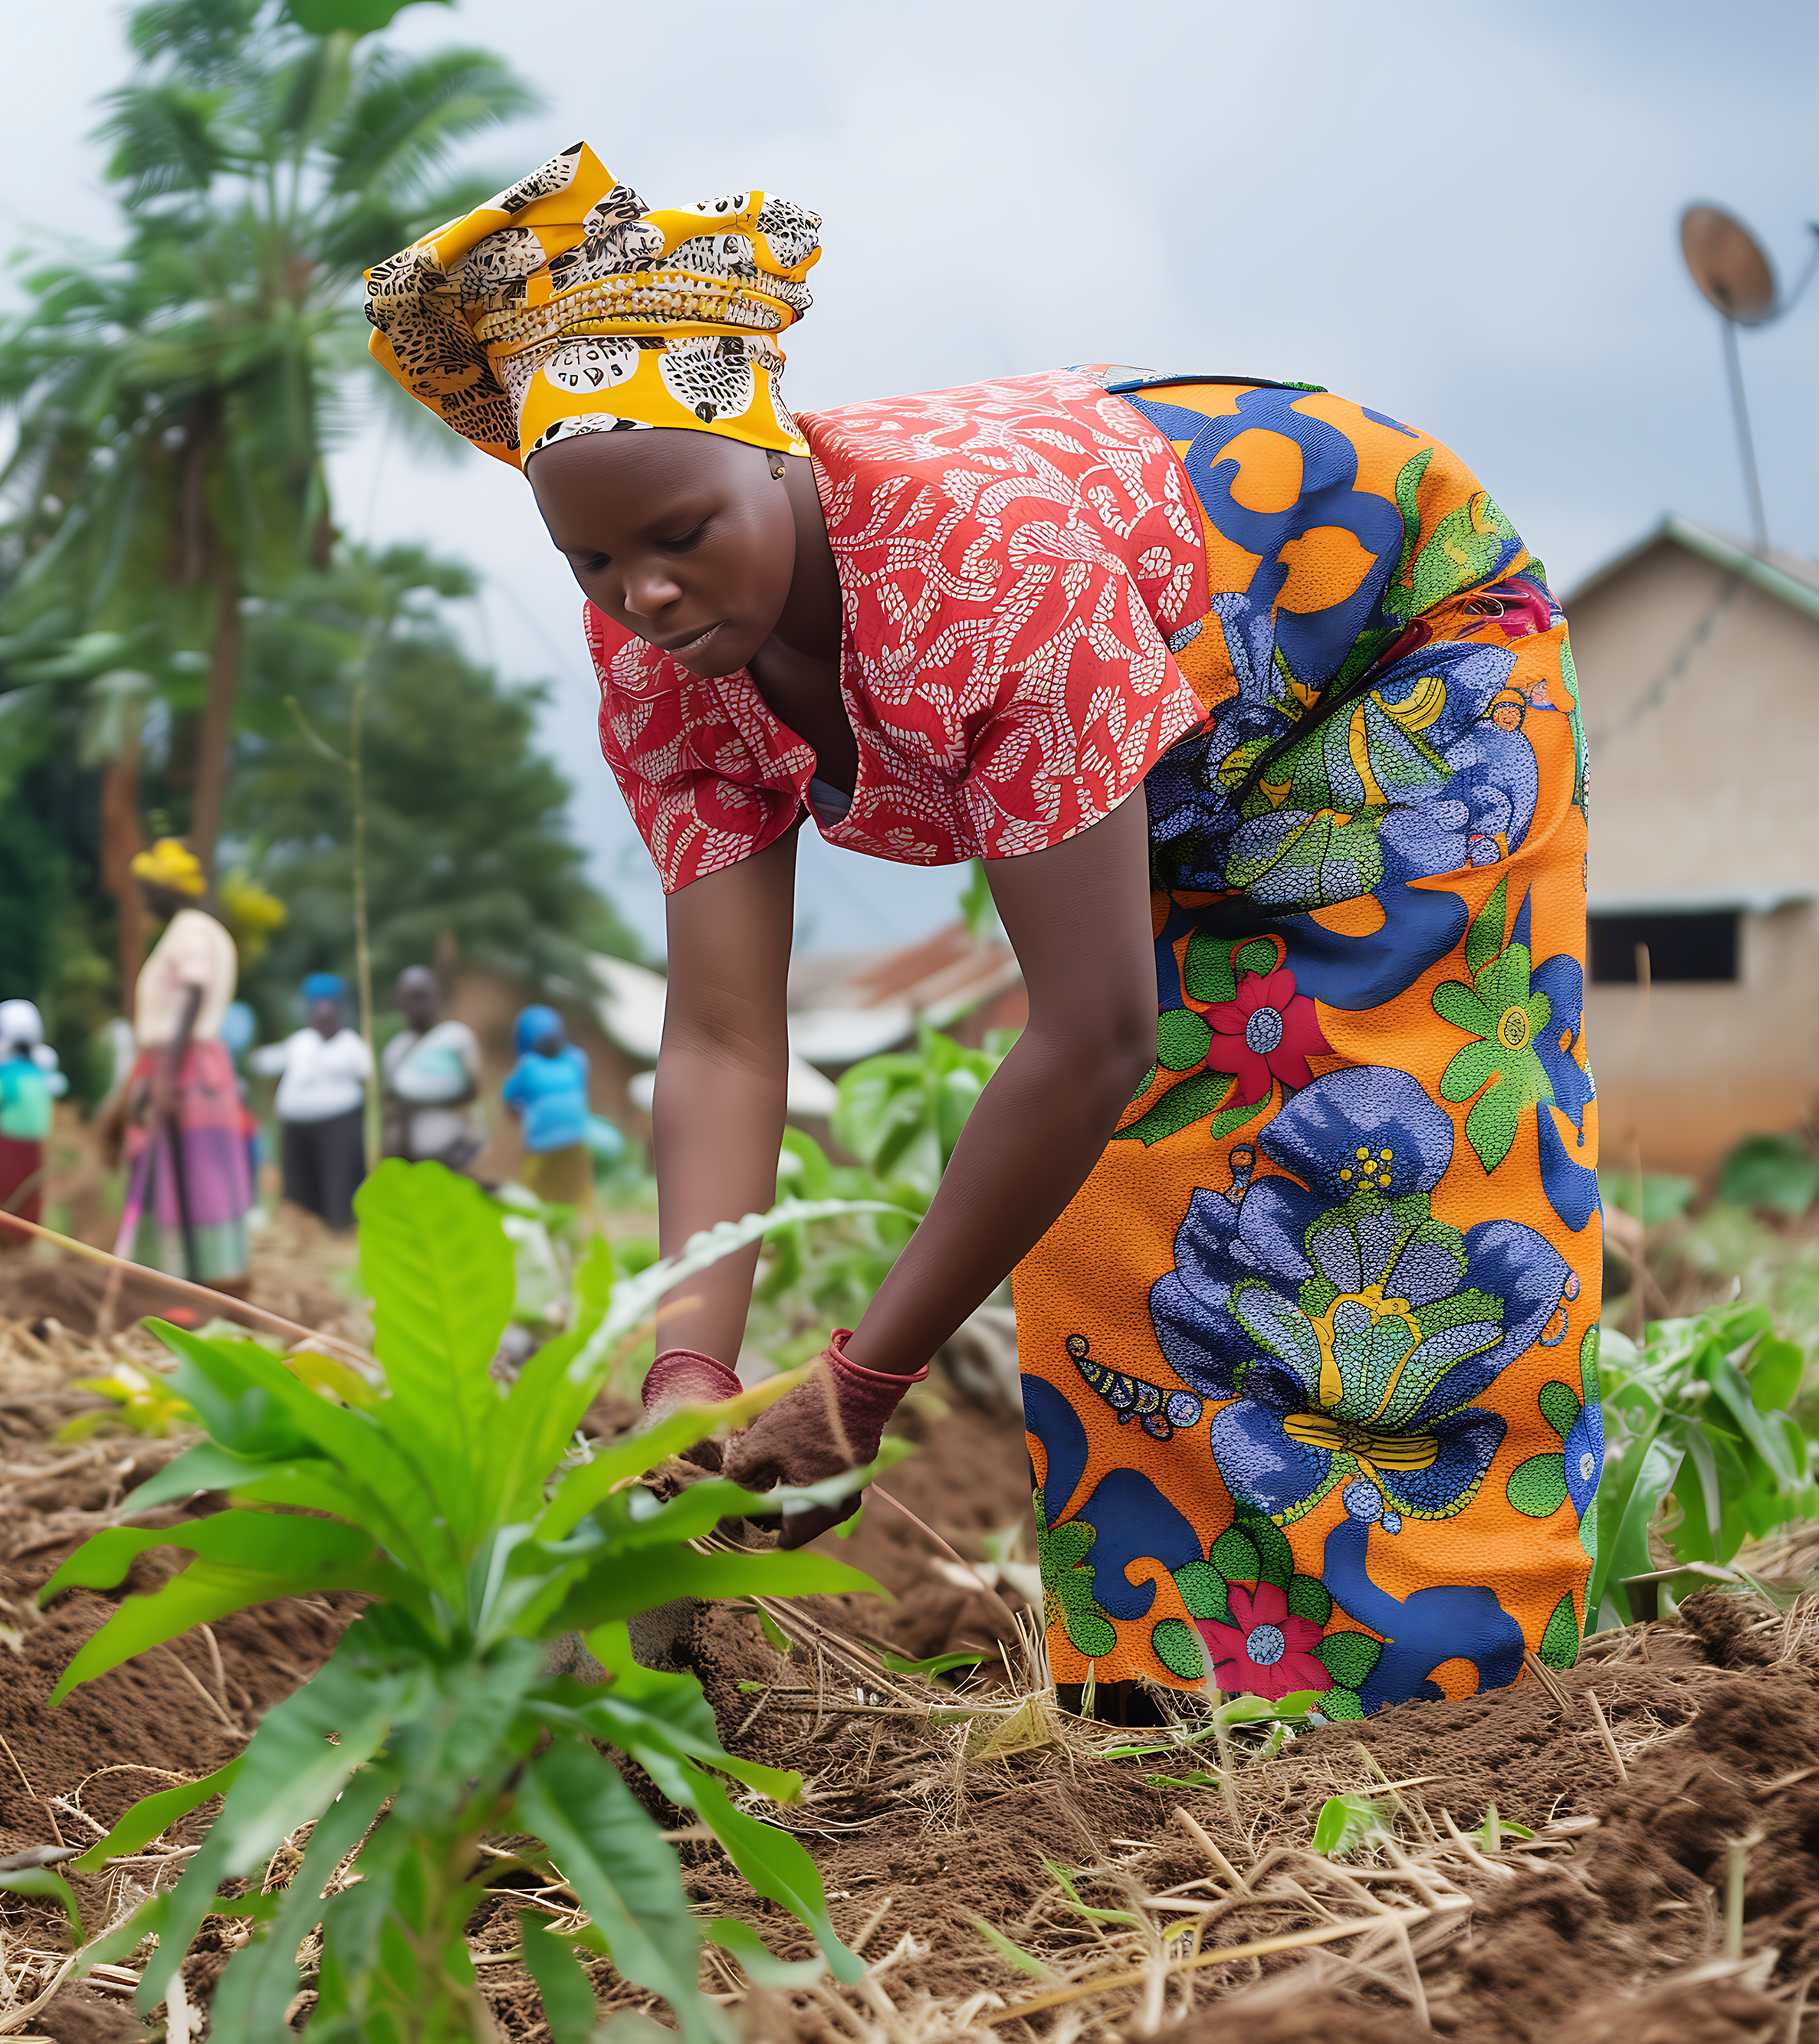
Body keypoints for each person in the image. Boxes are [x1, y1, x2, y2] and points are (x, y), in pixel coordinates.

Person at [368, 145, 1600, 1722]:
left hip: (1388, 648)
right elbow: (725, 1033)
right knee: (1107, 1209)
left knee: (1383, 1147)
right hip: (1171, 699)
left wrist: (859, 1382)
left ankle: (1463, 1692)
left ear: (774, 455)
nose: (646, 595)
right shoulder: (661, 665)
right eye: (590, 566)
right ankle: (1179, 1691)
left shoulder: (973, 581)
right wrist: (691, 1371)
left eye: (677, 531)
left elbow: (1090, 1033)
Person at [114, 839, 254, 1298]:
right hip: (183, 1060)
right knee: (181, 1171)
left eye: (146, 890)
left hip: (186, 1063)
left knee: (193, 1174)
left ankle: (199, 1286)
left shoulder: (190, 932)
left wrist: (167, 1074)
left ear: (164, 890)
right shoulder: (192, 929)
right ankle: (184, 1281)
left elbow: (193, 992)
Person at [259, 974, 374, 1232]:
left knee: (337, 1185)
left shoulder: (351, 1045)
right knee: (299, 1191)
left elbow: (366, 1072)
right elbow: (271, 1061)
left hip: (338, 1125)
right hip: (297, 1127)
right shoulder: (301, 1042)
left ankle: (338, 1231)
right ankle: (304, 1233)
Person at [0, 999, 67, 1245]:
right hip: (34, 1139)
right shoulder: (42, 1072)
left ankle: (7, 1236)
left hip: (9, 1137)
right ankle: (24, 1238)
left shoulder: (5, 1072)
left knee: (5, 1186)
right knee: (29, 1190)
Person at [382, 965, 482, 1174]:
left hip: (459, 1155)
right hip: (415, 1161)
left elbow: (475, 1092)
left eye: (424, 996)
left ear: (438, 997)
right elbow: (393, 1113)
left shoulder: (456, 1038)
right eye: (412, 997)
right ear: (400, 1002)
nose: (419, 1004)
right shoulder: (395, 1051)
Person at [499, 1006, 595, 1222]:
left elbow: (509, 1100)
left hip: (544, 1148)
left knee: (532, 1202)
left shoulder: (528, 1067)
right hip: (575, 1144)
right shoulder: (577, 1060)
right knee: (577, 1201)